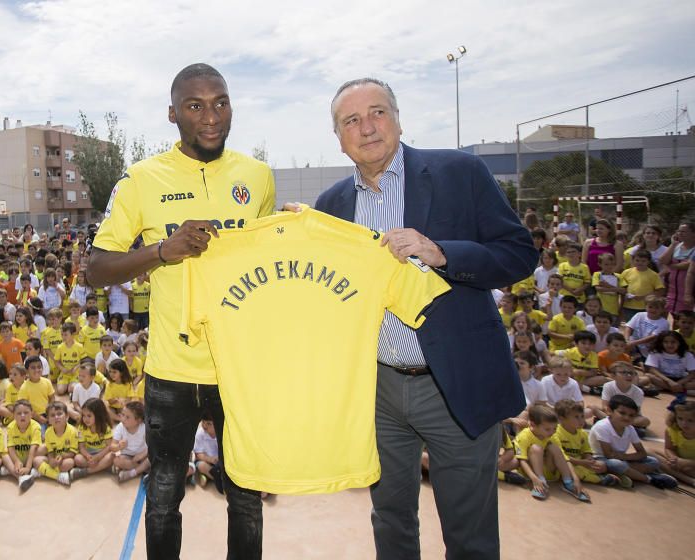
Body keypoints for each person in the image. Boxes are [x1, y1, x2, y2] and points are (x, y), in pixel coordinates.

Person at [307, 77, 536, 559]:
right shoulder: (330, 208)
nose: (367, 128)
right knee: (390, 521)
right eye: (351, 120)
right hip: (378, 391)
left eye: (377, 112)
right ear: (338, 136)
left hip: (453, 384)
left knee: (469, 533)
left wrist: (442, 253)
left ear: (398, 119)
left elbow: (519, 254)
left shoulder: (461, 172)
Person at [87, 63, 274, 559]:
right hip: (172, 371)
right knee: (165, 497)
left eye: (221, 103)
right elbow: (96, 268)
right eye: (195, 105)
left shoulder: (257, 177)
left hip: (238, 368)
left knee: (246, 497)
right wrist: (160, 252)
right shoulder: (141, 180)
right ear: (172, 114)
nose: (211, 117)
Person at [589, 395, 678, 489]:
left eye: (631, 415)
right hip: (601, 459)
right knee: (615, 464)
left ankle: (625, 473)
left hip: (622, 459)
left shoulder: (630, 429)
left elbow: (642, 453)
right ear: (609, 411)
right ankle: (649, 479)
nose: (627, 418)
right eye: (622, 413)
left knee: (653, 461)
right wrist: (625, 459)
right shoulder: (602, 427)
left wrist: (625, 458)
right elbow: (609, 455)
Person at [513, 404, 589, 501]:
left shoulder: (553, 436)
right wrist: (534, 479)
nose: (552, 432)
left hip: (550, 472)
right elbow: (521, 460)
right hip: (531, 474)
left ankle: (568, 482)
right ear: (532, 425)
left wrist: (575, 479)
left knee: (555, 448)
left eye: (555, 428)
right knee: (536, 448)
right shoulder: (524, 436)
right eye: (547, 429)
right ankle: (540, 483)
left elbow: (564, 457)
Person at [1, 399, 43, 492]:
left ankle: (14, 471)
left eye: (26, 412)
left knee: (44, 448)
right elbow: (10, 447)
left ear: (31, 414)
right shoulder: (11, 427)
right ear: (14, 416)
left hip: (31, 456)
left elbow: (33, 448)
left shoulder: (36, 426)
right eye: (19, 413)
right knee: (3, 453)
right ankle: (20, 478)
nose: (22, 415)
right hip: (18, 456)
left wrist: (28, 467)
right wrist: (16, 461)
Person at [654, 397, 695, 486]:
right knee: (649, 452)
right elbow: (669, 448)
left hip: (691, 465)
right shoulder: (672, 431)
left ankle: (673, 473)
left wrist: (686, 462)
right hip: (680, 462)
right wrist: (674, 459)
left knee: (687, 469)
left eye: (690, 420)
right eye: (680, 418)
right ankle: (690, 480)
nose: (684, 423)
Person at [660, 223, 695, 316]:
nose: (680, 233)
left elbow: (688, 265)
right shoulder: (677, 246)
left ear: (693, 233)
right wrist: (673, 244)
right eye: (679, 231)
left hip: (688, 290)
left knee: (682, 317)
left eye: (683, 231)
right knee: (664, 312)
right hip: (671, 288)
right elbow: (663, 260)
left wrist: (671, 266)